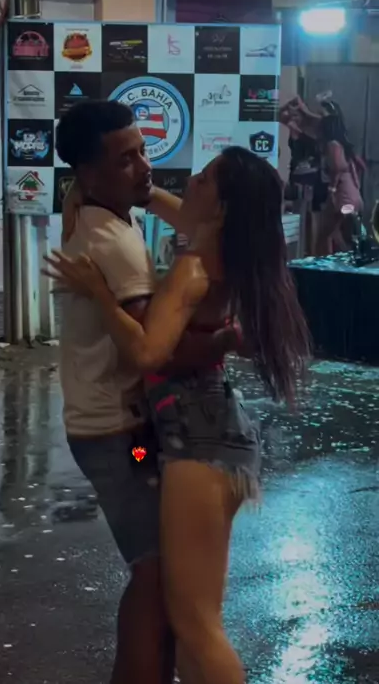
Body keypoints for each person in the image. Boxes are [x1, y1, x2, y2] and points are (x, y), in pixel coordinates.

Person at [48, 138, 311, 684]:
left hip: (198, 441)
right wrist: (84, 187)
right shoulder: (221, 246)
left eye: (204, 178)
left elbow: (148, 353)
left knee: (196, 626)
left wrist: (100, 294)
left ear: (221, 208)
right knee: (191, 620)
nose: (188, 182)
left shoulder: (193, 269)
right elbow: (160, 201)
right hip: (204, 434)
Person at [315, 100, 364, 255]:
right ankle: (347, 257)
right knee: (333, 231)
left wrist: (332, 188)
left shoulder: (332, 144)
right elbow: (361, 166)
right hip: (352, 195)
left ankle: (333, 261)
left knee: (325, 233)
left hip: (342, 196)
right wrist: (354, 180)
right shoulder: (344, 144)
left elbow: (337, 167)